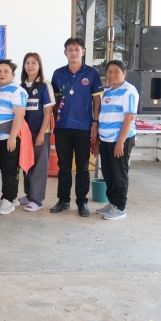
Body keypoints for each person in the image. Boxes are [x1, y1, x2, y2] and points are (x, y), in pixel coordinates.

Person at [50, 37, 104, 217]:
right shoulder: (58, 74)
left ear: (83, 52)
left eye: (77, 49)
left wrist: (95, 121)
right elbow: (55, 100)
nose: (73, 53)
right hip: (63, 126)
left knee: (82, 166)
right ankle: (63, 200)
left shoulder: (92, 73)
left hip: (84, 127)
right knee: (63, 166)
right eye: (70, 50)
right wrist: (56, 121)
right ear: (65, 52)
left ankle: (82, 202)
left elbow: (97, 99)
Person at [97, 60, 139, 220]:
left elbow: (129, 118)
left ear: (124, 73)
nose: (112, 74)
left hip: (119, 139)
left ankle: (120, 207)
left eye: (116, 71)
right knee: (108, 173)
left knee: (119, 173)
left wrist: (120, 142)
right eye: (109, 71)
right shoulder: (108, 92)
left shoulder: (129, 91)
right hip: (105, 139)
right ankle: (112, 203)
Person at [0, 59, 28, 215]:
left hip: (9, 136)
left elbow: (19, 115)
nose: (2, 74)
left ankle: (8, 201)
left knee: (10, 169)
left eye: (6, 71)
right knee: (3, 168)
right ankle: (10, 196)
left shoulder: (17, 91)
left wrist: (12, 137)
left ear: (13, 74)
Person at [19, 53, 55, 212]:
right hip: (25, 134)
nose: (30, 66)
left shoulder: (44, 85)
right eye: (27, 63)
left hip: (40, 132)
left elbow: (49, 111)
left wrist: (41, 133)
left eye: (34, 63)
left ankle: (37, 200)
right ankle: (29, 195)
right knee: (27, 163)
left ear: (39, 65)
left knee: (39, 166)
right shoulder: (21, 87)